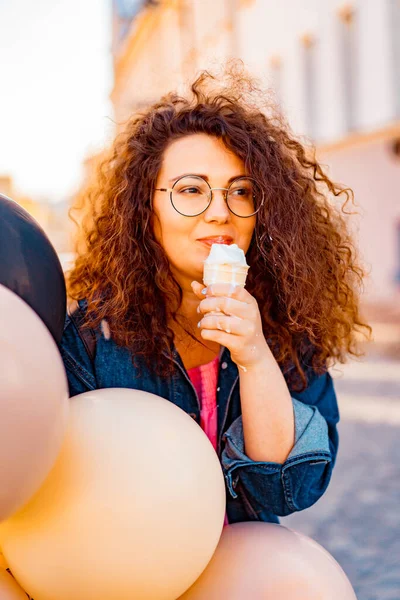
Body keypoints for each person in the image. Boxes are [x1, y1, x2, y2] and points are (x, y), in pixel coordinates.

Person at [61, 66, 370, 524]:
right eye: (191, 190)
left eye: (241, 192)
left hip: (238, 564)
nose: (220, 212)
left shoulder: (287, 324)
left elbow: (284, 492)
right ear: (146, 209)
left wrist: (255, 358)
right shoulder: (89, 336)